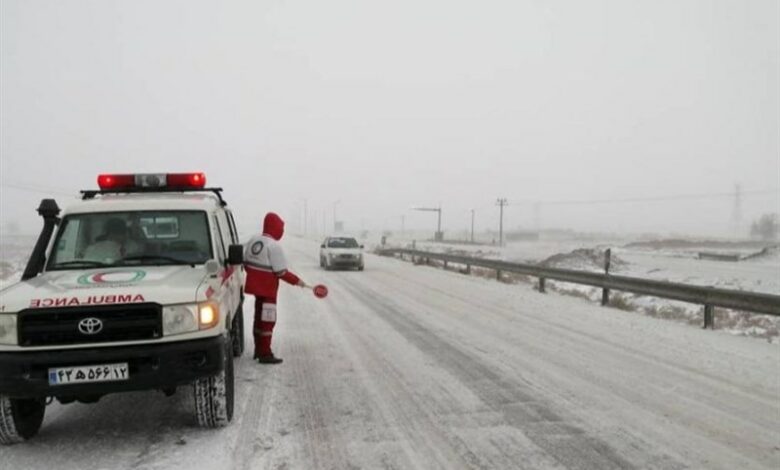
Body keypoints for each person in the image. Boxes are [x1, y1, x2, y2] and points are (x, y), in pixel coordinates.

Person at [243, 212, 307, 364]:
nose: (282, 231)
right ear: (275, 227)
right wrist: (298, 282)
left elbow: (246, 262)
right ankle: (265, 353)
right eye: (281, 227)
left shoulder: (253, 240)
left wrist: (255, 277)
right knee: (268, 321)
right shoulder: (274, 246)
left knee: (258, 319)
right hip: (268, 291)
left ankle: (258, 349)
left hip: (256, 289)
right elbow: (281, 272)